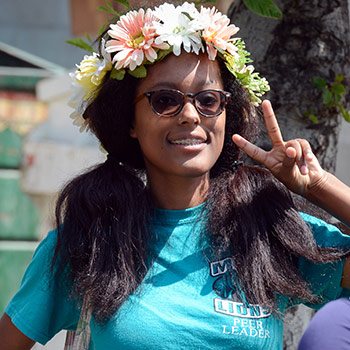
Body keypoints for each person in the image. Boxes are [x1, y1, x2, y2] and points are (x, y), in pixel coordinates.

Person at [0, 2, 349, 349]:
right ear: (130, 122)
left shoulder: (265, 229)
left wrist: (318, 185)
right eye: (165, 100)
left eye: (208, 100)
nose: (190, 115)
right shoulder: (87, 238)